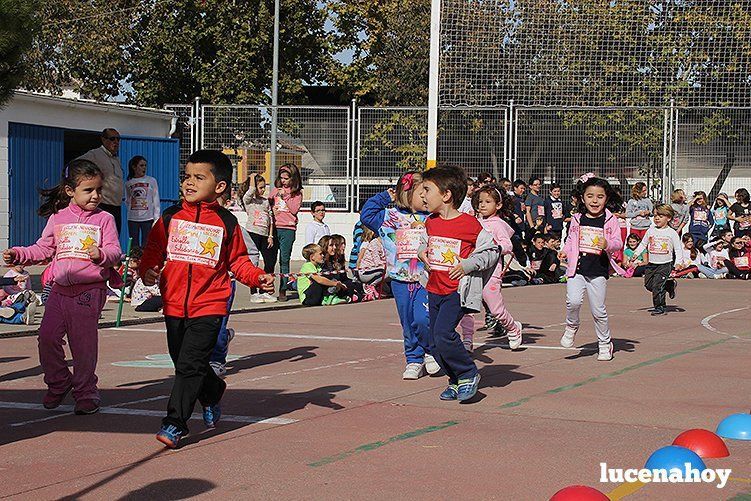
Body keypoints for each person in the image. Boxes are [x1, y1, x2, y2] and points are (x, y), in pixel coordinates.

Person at [139, 150, 274, 448]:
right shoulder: (170, 216)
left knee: (189, 364)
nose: (189, 183)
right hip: (174, 304)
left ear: (220, 186)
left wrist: (257, 278)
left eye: (199, 177)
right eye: (187, 176)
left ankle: (175, 423)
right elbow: (152, 252)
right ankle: (213, 392)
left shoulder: (227, 223)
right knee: (186, 363)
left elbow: (238, 262)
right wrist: (146, 271)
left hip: (210, 305)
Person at [3, 159, 122, 414]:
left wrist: (101, 254)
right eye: (88, 190)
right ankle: (58, 382)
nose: (95, 196)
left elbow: (115, 252)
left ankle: (86, 392)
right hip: (58, 289)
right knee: (46, 338)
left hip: (89, 290)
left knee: (83, 345)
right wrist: (19, 254)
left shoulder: (105, 219)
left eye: (98, 190)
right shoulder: (59, 217)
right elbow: (44, 248)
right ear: (70, 190)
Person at [419, 165, 499, 402]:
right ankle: (455, 380)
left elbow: (493, 250)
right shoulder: (431, 222)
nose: (422, 195)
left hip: (457, 291)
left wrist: (467, 265)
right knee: (433, 343)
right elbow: (424, 244)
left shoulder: (469, 224)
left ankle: (467, 372)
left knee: (444, 334)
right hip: (434, 288)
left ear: (446, 195)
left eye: (426, 190)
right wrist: (423, 253)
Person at [360, 171, 438, 380]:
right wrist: (386, 196)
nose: (426, 197)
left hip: (426, 279)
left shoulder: (433, 218)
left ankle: (430, 350)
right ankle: (414, 359)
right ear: (407, 192)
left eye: (428, 192)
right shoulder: (389, 216)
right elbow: (366, 214)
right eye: (422, 192)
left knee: (423, 318)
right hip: (399, 280)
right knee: (407, 321)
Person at [558, 176, 624, 361]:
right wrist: (564, 251)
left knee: (598, 310)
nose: (594, 201)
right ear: (582, 198)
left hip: (598, 271)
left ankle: (604, 343)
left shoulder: (610, 220)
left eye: (600, 197)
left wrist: (607, 243)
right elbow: (571, 240)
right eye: (590, 196)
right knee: (573, 302)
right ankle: (571, 326)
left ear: (607, 198)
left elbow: (618, 243)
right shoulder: (577, 219)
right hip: (576, 269)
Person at [472, 184, 523, 349]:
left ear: (498, 205)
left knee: (496, 310)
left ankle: (513, 328)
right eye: (480, 201)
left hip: (492, 272)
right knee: (465, 307)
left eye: (487, 201)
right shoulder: (474, 222)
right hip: (472, 271)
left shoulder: (498, 224)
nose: (482, 205)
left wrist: (496, 248)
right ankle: (467, 340)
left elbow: (507, 245)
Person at [631, 204, 685, 316]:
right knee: (649, 285)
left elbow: (678, 249)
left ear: (668, 218)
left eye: (660, 216)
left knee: (657, 286)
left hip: (665, 264)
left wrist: (678, 262)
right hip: (652, 263)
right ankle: (668, 285)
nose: (657, 218)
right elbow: (643, 244)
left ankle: (660, 307)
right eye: (655, 215)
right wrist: (636, 254)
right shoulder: (651, 231)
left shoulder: (672, 233)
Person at [77, 128, 124, 234]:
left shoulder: (116, 159)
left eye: (118, 139)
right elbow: (76, 164)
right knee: (102, 235)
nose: (116, 142)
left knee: (115, 236)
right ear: (103, 140)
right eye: (112, 139)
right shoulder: (95, 154)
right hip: (103, 204)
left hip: (116, 206)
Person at [269, 163, 303, 301]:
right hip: (274, 228)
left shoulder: (297, 194)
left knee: (284, 259)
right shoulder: (275, 190)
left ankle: (283, 289)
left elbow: (294, 210)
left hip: (288, 228)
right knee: (270, 259)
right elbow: (268, 204)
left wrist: (285, 197)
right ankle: (266, 289)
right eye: (281, 178)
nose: (283, 181)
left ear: (293, 179)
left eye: (286, 178)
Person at [243, 174, 277, 303]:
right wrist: (252, 177)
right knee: (253, 263)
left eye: (264, 187)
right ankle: (254, 292)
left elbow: (270, 219)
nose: (263, 190)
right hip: (252, 233)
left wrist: (270, 235)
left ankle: (266, 291)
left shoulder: (265, 201)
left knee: (269, 262)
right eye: (261, 187)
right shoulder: (248, 200)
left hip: (265, 235)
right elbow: (250, 191)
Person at [125, 155, 160, 247]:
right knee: (134, 244)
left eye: (145, 165)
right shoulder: (129, 183)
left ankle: (145, 261)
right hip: (133, 218)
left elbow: (155, 199)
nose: (144, 168)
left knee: (147, 243)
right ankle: (134, 260)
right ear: (134, 167)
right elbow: (127, 200)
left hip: (148, 218)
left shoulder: (152, 180)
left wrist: (156, 218)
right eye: (141, 165)